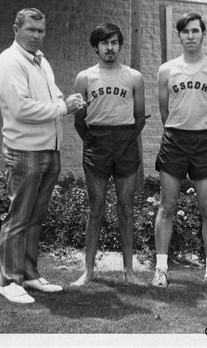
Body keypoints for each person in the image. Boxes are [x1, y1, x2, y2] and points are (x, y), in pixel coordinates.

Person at [0, 8, 85, 304]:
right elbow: (22, 109)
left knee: (34, 218)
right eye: (31, 30)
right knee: (18, 218)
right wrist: (63, 108)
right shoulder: (9, 62)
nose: (36, 36)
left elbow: (54, 94)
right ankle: (8, 281)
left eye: (41, 31)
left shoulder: (41, 61)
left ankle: (29, 275)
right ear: (15, 29)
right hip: (24, 151)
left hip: (48, 150)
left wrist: (64, 102)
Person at [152, 13, 207, 291]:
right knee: (167, 206)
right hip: (174, 140)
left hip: (204, 141)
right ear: (180, 36)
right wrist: (179, 129)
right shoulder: (167, 70)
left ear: (203, 34)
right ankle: (161, 269)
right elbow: (164, 111)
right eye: (185, 32)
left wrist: (203, 131)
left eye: (195, 31)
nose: (191, 36)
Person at [70, 23, 146, 287]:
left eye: (114, 42)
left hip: (125, 143)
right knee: (96, 207)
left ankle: (129, 271)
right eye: (105, 43)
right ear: (96, 47)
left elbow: (139, 119)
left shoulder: (134, 77)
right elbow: (79, 120)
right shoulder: (85, 77)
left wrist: (123, 137)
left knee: (126, 208)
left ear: (120, 45)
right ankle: (88, 271)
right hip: (97, 144)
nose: (110, 47)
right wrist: (93, 141)